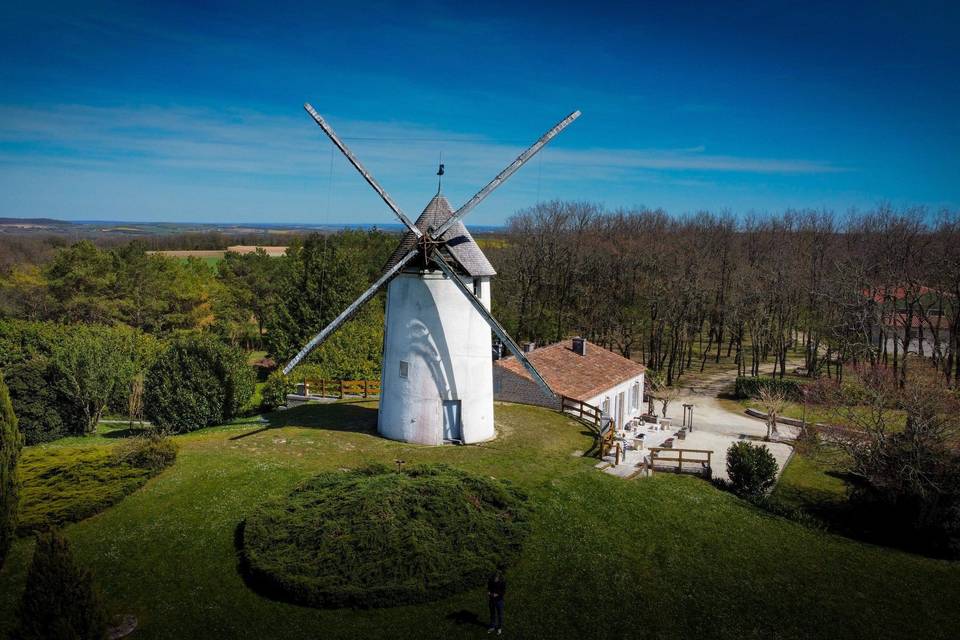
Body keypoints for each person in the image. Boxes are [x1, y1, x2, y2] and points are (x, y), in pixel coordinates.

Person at [487, 569, 506, 635]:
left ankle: (499, 628)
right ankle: (492, 626)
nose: (496, 578)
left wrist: (497, 594)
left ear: (499, 577)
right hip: (491, 600)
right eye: (495, 577)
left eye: (497, 577)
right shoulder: (490, 580)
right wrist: (489, 592)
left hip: (499, 600)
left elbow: (503, 592)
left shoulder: (502, 582)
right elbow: (489, 588)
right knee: (492, 614)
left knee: (500, 615)